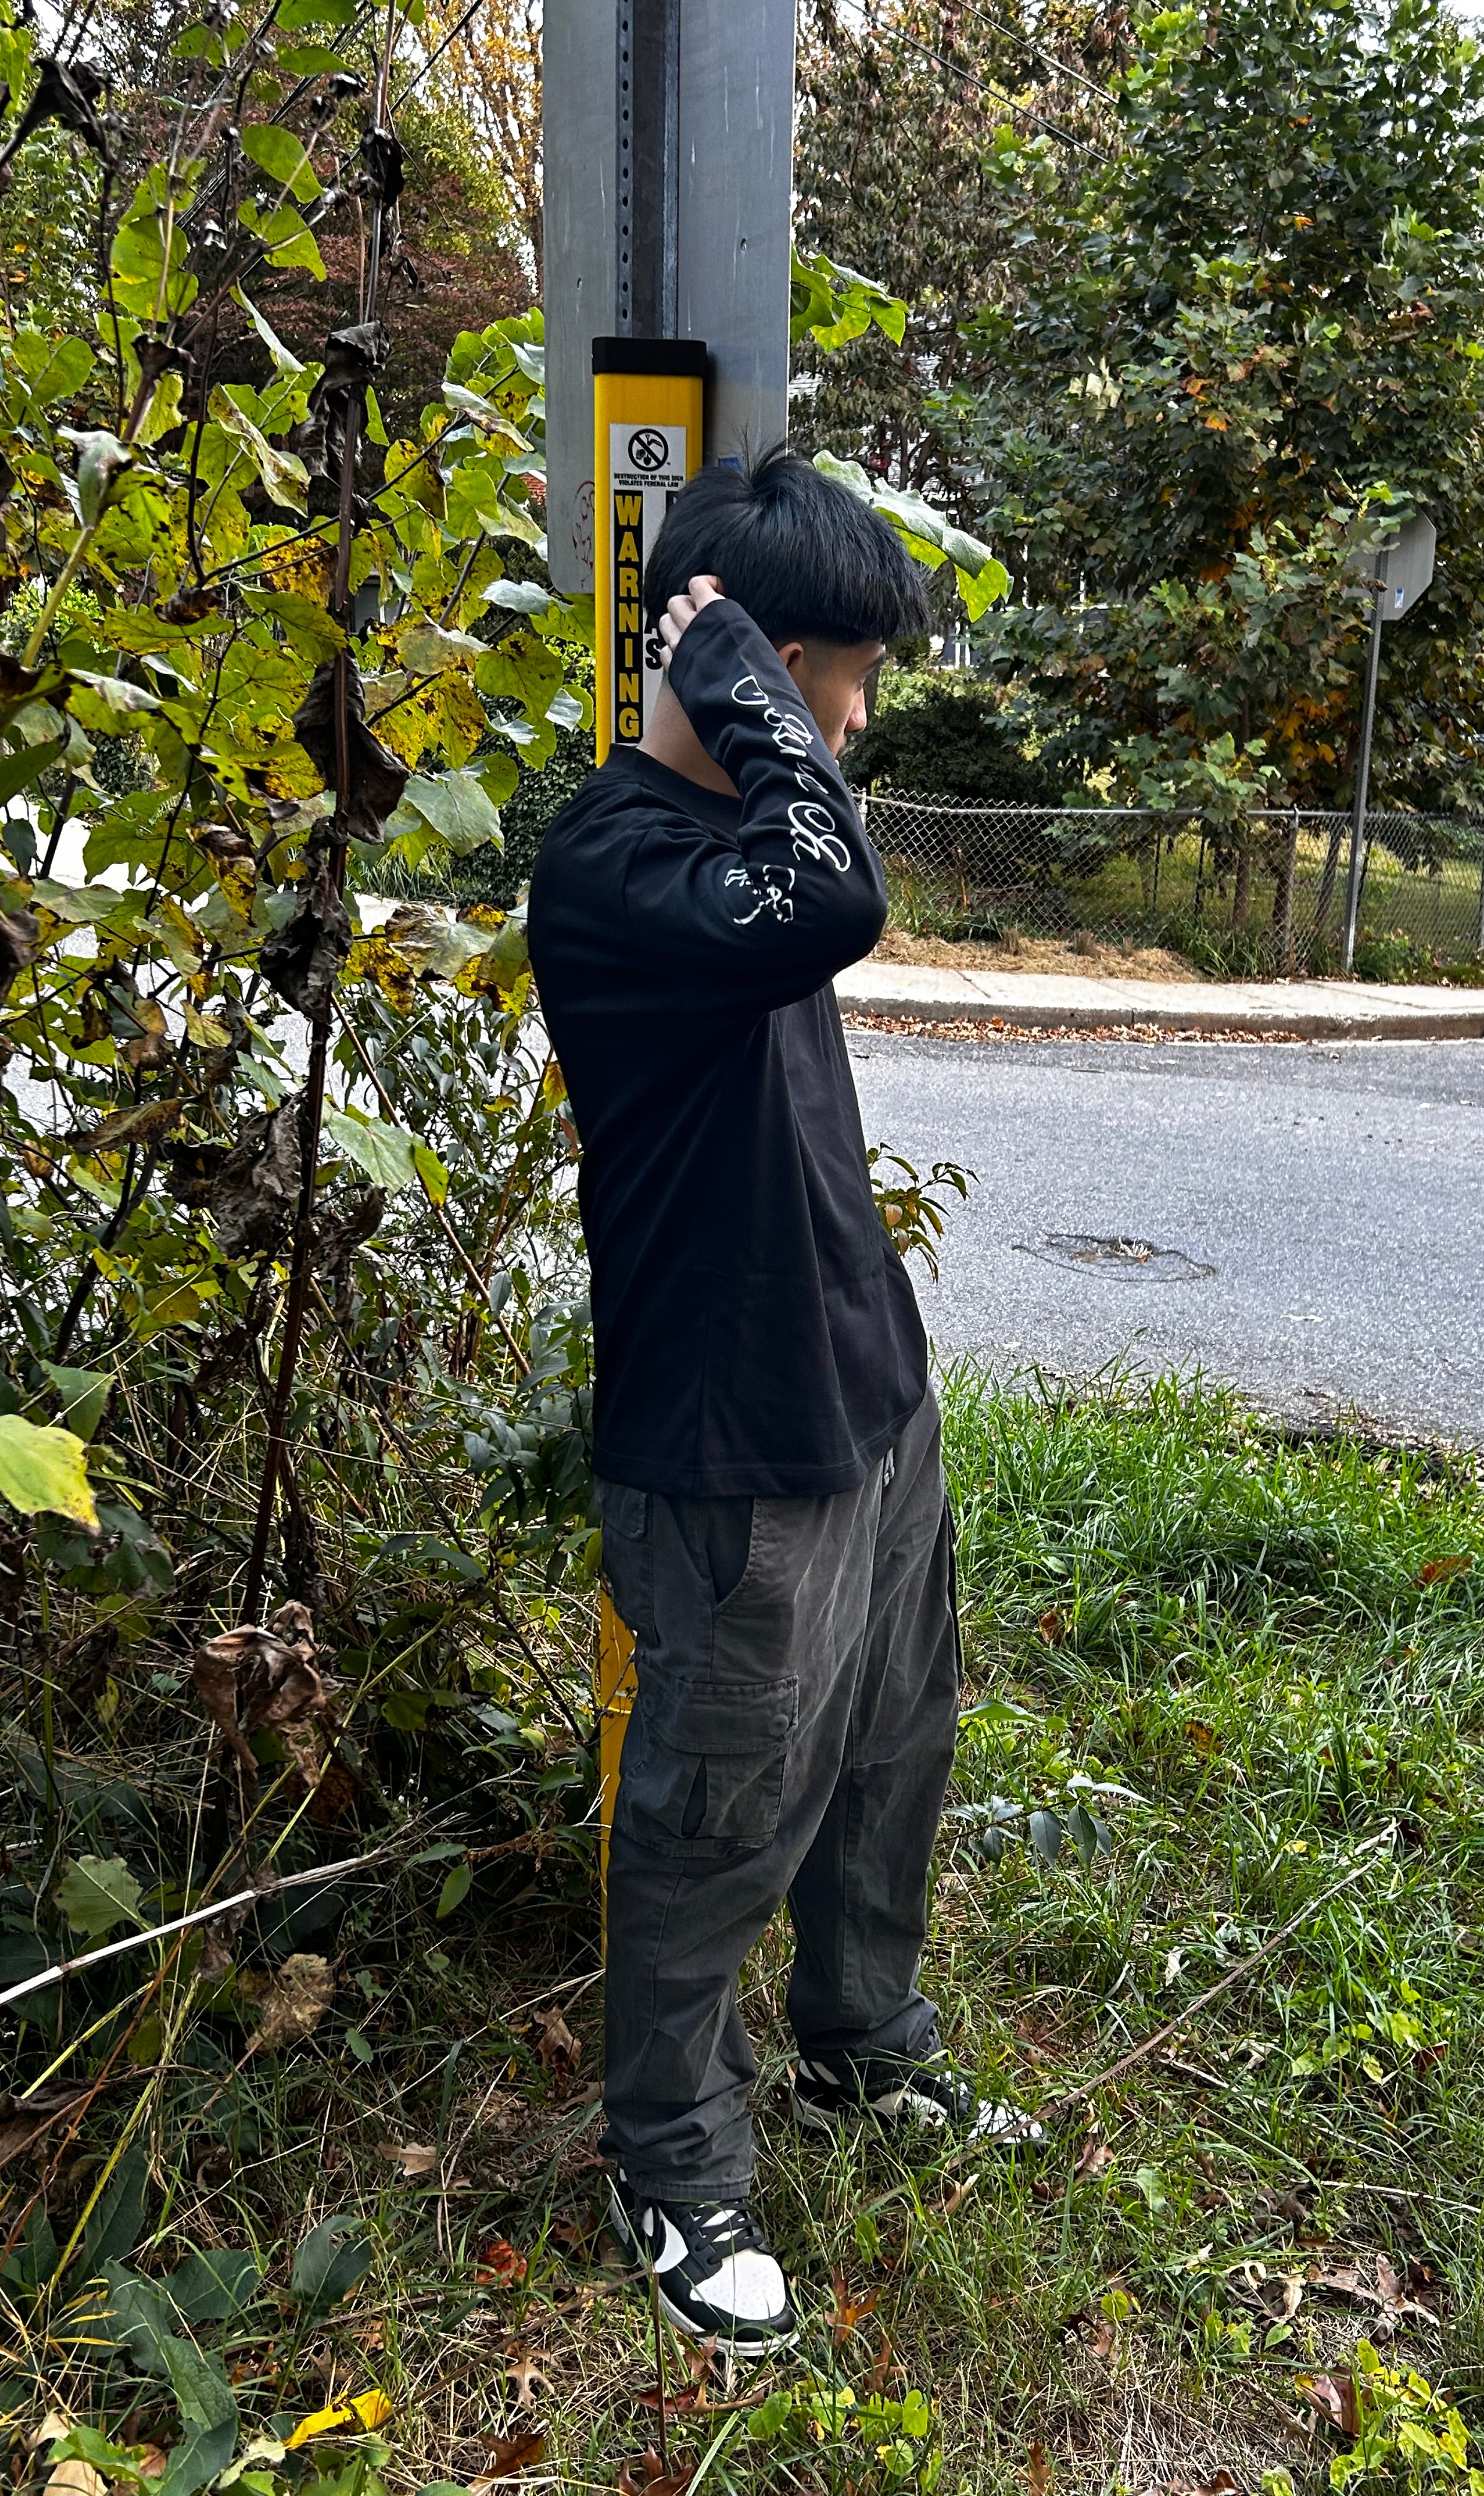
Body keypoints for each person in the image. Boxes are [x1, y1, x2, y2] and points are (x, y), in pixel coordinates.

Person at [526, 449, 1029, 2357]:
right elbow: (834, 899)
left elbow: (815, 870)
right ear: (749, 659)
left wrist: (764, 688)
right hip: (727, 1438)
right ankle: (672, 2155)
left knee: (893, 1752)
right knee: (717, 1809)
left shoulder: (743, 837)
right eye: (844, 671)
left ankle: (861, 2048)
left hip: (860, 1398)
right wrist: (734, 668)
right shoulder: (619, 863)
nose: (859, 714)